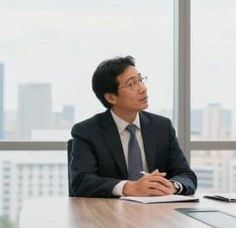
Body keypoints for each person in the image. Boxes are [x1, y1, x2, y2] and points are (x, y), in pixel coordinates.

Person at [69, 56, 197, 197]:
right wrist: (129, 187)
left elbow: (186, 175)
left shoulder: (162, 127)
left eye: (140, 80)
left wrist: (172, 186)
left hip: (157, 212)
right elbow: (81, 181)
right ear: (111, 97)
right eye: (132, 84)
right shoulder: (87, 131)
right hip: (109, 213)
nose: (142, 88)